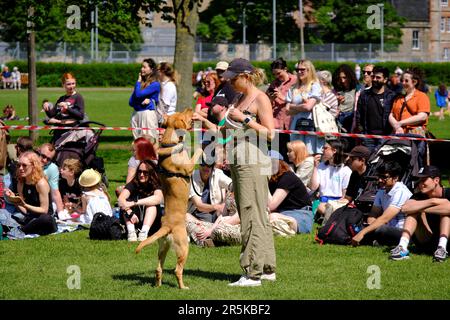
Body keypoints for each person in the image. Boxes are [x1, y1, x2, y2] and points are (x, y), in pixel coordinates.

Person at [222, 58, 276, 287]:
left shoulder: (261, 98)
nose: (230, 82)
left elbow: (270, 133)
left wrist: (244, 118)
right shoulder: (238, 97)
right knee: (256, 214)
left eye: (234, 78)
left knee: (250, 214)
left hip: (253, 162)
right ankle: (266, 268)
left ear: (246, 76)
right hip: (238, 159)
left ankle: (251, 273)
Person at [390, 166, 450, 262]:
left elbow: (448, 208)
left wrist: (422, 208)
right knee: (412, 212)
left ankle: (442, 248)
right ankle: (402, 246)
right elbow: (405, 208)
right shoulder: (420, 195)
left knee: (445, 213)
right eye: (419, 180)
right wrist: (433, 201)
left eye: (424, 180)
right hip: (427, 239)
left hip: (447, 241)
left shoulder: (448, 193)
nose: (420, 184)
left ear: (436, 180)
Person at [351, 161, 412, 247]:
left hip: (402, 230)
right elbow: (373, 214)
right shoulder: (381, 191)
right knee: (359, 226)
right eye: (379, 176)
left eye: (384, 177)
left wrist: (363, 232)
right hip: (386, 226)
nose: (380, 180)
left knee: (379, 229)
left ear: (395, 178)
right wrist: (370, 226)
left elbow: (385, 218)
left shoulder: (401, 192)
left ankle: (375, 240)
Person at [5, 152, 57, 235]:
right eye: (19, 165)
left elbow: (44, 210)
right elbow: (25, 211)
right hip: (30, 217)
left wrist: (24, 204)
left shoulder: (41, 183)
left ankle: (21, 230)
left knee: (46, 219)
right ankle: (23, 229)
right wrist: (14, 199)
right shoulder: (21, 183)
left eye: (24, 165)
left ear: (33, 166)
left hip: (44, 219)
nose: (21, 168)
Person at [268, 152, 313, 234]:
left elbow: (271, 205)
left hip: (300, 214)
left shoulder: (288, 177)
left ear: (280, 164)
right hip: (281, 212)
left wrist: (262, 185)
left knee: (272, 217)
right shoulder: (272, 180)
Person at [118, 160, 163, 242]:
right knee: (125, 205)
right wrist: (129, 212)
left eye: (145, 172)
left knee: (152, 205)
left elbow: (158, 198)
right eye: (139, 171)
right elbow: (121, 199)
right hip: (134, 220)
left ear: (151, 173)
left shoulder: (156, 184)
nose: (141, 175)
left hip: (152, 224)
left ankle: (144, 233)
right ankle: (131, 233)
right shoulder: (134, 183)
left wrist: (134, 202)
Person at [286, 59, 323, 155]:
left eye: (302, 69)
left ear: (309, 70)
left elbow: (308, 107)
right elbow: (287, 110)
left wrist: (292, 106)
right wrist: (300, 106)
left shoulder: (315, 86)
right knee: (296, 156)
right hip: (296, 126)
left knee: (309, 156)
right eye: (297, 69)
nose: (299, 72)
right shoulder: (293, 88)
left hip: (311, 126)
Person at [355, 66, 396, 152]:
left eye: (378, 77)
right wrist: (362, 132)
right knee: (368, 162)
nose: (374, 79)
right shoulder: (364, 95)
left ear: (385, 80)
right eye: (373, 77)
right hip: (368, 137)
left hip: (386, 137)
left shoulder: (391, 96)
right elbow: (359, 115)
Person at [311, 140, 352, 217]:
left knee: (322, 208)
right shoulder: (321, 166)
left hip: (337, 203)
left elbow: (344, 194)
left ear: (334, 151)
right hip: (321, 201)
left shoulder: (345, 170)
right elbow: (313, 187)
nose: (322, 150)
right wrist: (315, 167)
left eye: (325, 148)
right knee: (319, 206)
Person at [266, 58, 297, 160]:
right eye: (274, 74)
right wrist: (271, 98)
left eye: (279, 73)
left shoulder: (295, 81)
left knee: (291, 154)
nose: (277, 77)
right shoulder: (274, 84)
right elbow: (266, 103)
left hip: (291, 123)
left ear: (285, 69)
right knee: (276, 155)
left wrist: (282, 97)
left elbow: (300, 101)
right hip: (277, 124)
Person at [389, 68, 431, 137]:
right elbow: (391, 115)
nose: (403, 83)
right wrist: (397, 126)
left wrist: (401, 123)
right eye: (402, 80)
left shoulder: (422, 96)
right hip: (398, 132)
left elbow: (422, 116)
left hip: (415, 134)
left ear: (414, 82)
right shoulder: (398, 98)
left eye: (406, 81)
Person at [129, 58, 160, 140]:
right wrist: (139, 84)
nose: (141, 69)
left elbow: (138, 95)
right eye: (141, 67)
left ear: (151, 69)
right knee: (138, 142)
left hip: (147, 114)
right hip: (136, 114)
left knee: (149, 141)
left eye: (144, 67)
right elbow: (131, 102)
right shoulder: (140, 84)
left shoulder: (155, 84)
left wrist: (138, 82)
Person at [37, 143, 64, 218]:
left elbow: (55, 192)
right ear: (38, 151)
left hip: (42, 202)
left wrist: (61, 213)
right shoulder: (28, 162)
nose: (45, 160)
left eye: (48, 159)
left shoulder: (52, 168)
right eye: (43, 156)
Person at [332, 64, 358, 133]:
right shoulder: (335, 90)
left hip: (351, 120)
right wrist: (336, 101)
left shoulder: (357, 89)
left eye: (345, 77)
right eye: (340, 78)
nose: (343, 81)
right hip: (338, 120)